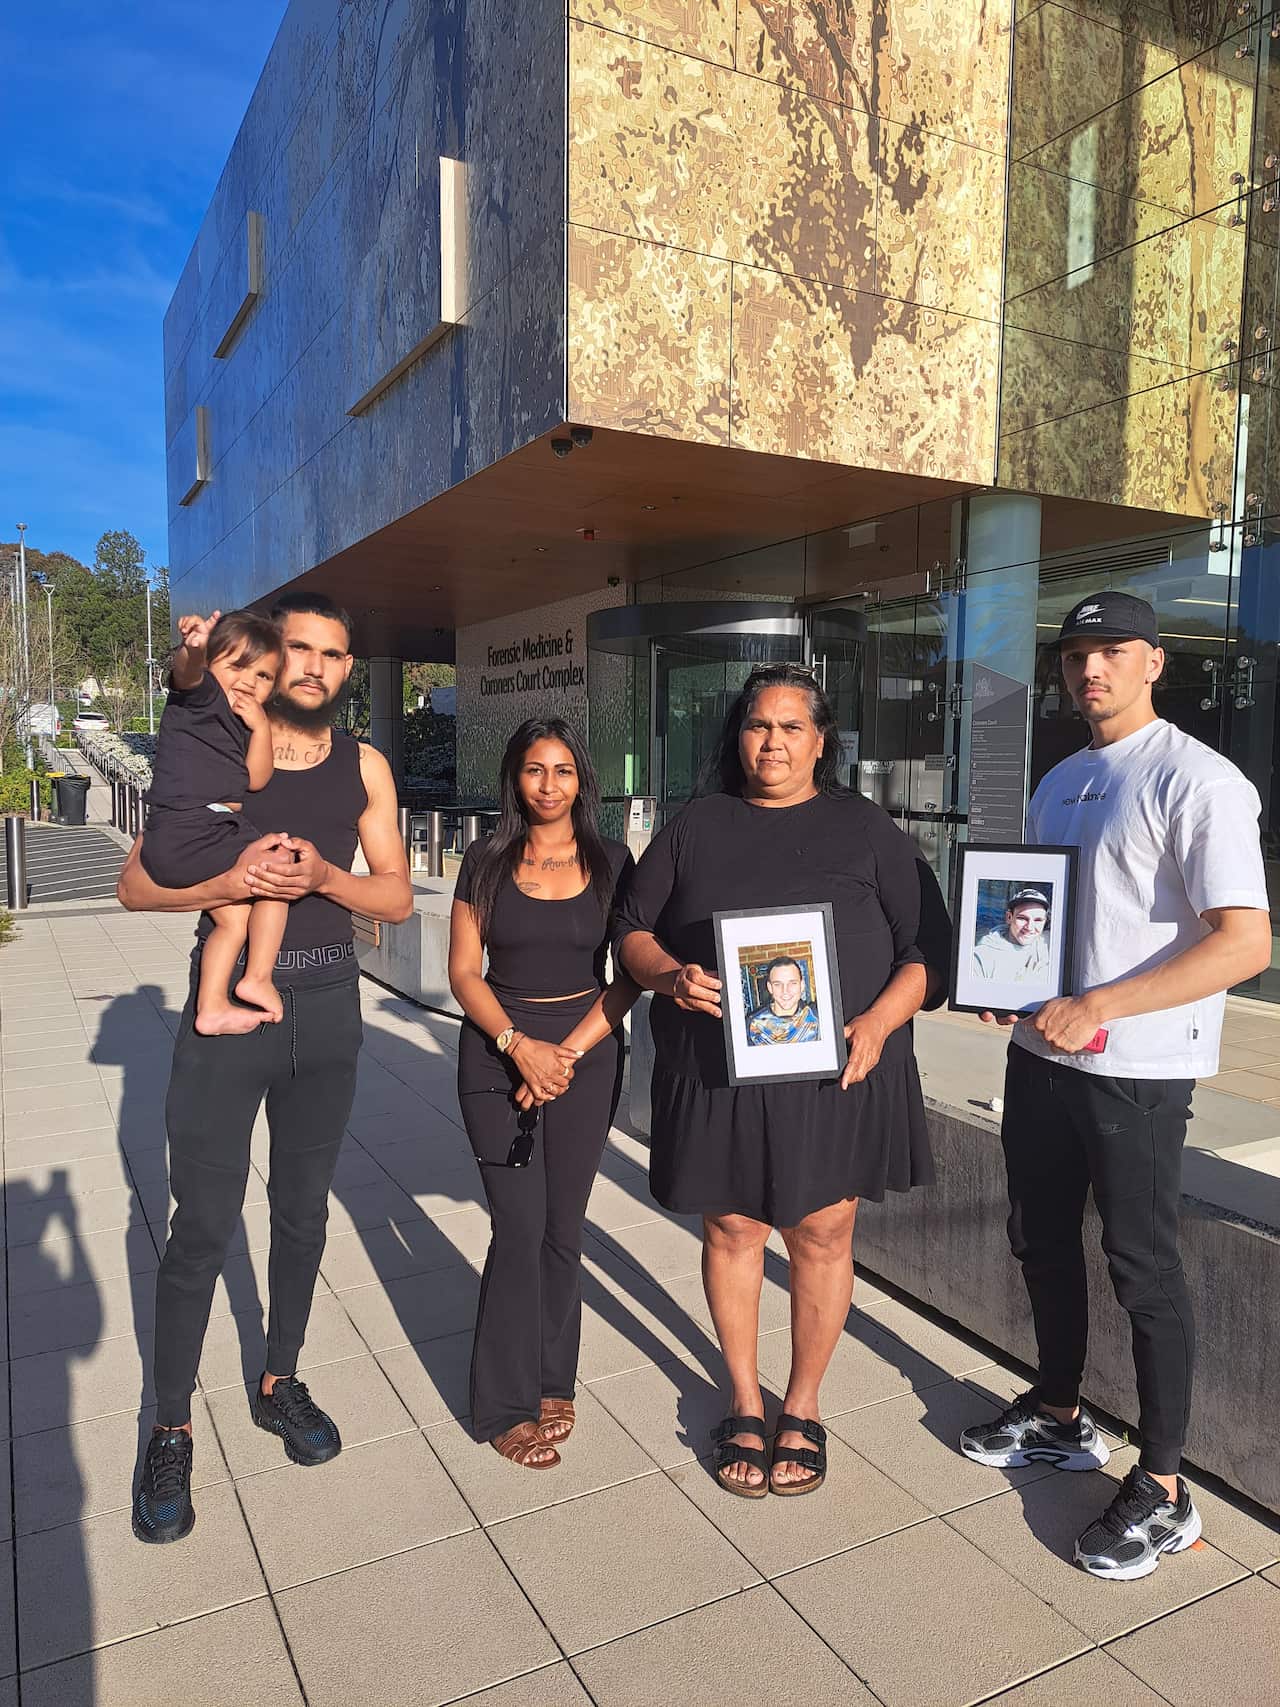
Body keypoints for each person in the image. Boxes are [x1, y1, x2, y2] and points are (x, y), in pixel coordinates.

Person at [960, 591, 1271, 1581]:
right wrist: (1012, 983)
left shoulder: (1198, 780)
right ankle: (1057, 1413)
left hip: (1134, 1069)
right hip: (1043, 1058)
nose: (1087, 668)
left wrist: (1099, 1003)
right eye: (1073, 655)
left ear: (1151, 663)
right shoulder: (1061, 781)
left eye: (1109, 652)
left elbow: (1244, 943)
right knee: (1037, 1237)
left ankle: (1166, 1491)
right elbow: (1046, 918)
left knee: (1142, 1268)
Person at [117, 592, 413, 1544]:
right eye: (302, 649)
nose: (318, 666)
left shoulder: (364, 764)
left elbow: (398, 896)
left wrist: (326, 878)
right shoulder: (223, 734)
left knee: (300, 1213)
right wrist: (232, 883)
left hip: (327, 1010)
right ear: (273, 657)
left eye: (336, 652)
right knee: (199, 1227)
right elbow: (135, 882)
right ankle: (169, 1427)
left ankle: (278, 1378)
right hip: (229, 1016)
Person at [616, 664, 950, 1498]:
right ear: (739, 735)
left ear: (820, 740)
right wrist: (668, 977)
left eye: (790, 727)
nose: (772, 742)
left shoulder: (868, 829)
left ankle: (801, 1403)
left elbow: (926, 955)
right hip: (720, 1071)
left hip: (837, 1071)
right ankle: (742, 1395)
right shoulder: (697, 825)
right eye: (758, 726)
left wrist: (877, 1022)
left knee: (823, 1235)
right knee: (732, 1230)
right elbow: (630, 928)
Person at [448, 718, 637, 1469]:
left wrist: (565, 1054)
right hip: (497, 1055)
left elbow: (628, 977)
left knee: (565, 1225)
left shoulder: (615, 861)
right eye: (535, 769)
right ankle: (503, 1403)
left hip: (586, 1056)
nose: (549, 784)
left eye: (563, 770)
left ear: (581, 782)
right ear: (515, 779)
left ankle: (556, 1375)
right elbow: (464, 972)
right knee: (518, 1227)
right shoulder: (485, 859)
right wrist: (519, 1047)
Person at [141, 609, 289, 1035]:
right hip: (192, 828)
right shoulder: (201, 698)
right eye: (237, 665)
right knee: (275, 869)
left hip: (206, 830)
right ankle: (258, 976)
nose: (249, 681)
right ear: (210, 664)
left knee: (234, 920)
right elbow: (186, 674)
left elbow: (257, 779)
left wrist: (260, 729)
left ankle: (212, 1007)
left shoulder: (243, 722)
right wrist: (192, 650)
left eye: (263, 676)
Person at [972, 888, 1051, 984]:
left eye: (1038, 920)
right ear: (1009, 917)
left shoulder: (1048, 944)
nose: (1029, 927)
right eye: (1022, 918)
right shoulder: (982, 958)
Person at [747, 957, 820, 1045]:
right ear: (770, 988)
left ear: (802, 985)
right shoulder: (752, 1024)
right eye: (777, 984)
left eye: (792, 983)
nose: (785, 991)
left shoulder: (818, 1016)